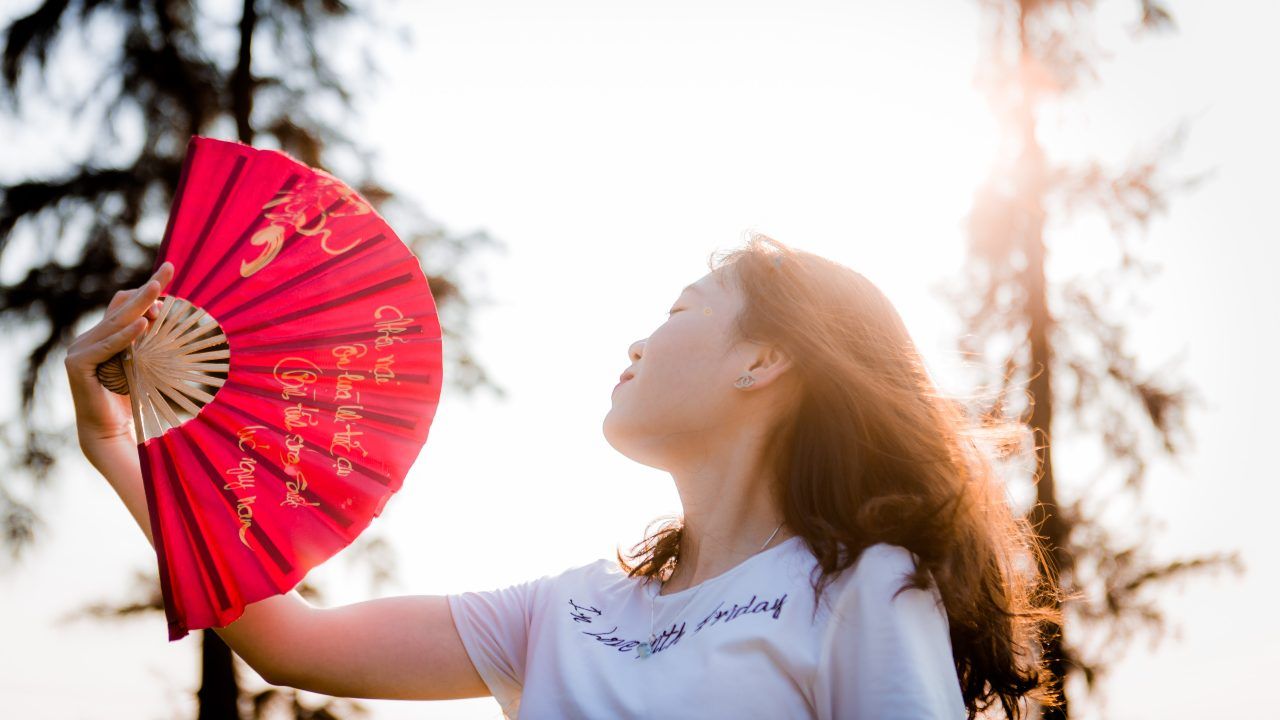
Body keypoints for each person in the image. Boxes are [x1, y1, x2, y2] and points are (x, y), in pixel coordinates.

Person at [65, 231, 1064, 719]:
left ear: (765, 361)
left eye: (677, 309)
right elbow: (288, 640)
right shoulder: (566, 611)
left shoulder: (860, 585)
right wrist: (121, 447)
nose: (635, 341)